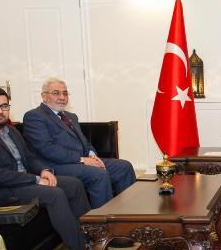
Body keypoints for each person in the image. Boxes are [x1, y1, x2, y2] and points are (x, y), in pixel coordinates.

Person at [0, 87, 119, 250]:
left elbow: (29, 157)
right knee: (54, 194)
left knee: (73, 184)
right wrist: (35, 180)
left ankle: (95, 244)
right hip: (0, 191)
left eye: (4, 106)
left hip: (21, 183)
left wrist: (44, 170)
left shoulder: (10, 131)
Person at [22, 78, 136, 209]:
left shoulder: (71, 116)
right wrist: (82, 159)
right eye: (56, 93)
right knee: (98, 174)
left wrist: (92, 155)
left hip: (80, 162)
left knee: (124, 167)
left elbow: (84, 142)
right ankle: (102, 219)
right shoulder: (35, 116)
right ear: (44, 96)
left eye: (65, 93)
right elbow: (47, 148)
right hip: (55, 165)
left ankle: (128, 212)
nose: (62, 97)